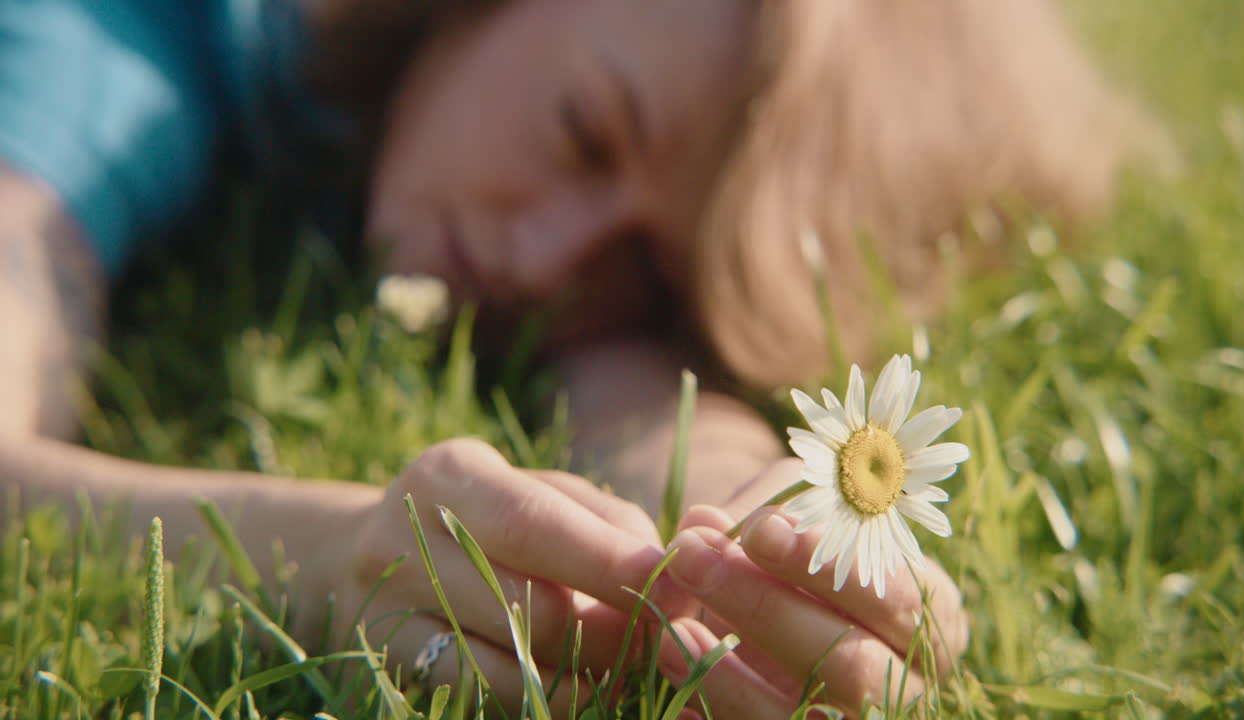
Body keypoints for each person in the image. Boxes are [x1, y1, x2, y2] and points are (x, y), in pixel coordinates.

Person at [0, 0, 1145, 716]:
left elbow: (654, 409)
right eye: (586, 132)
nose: (550, 263)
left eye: (647, 270)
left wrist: (771, 550)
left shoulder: (575, 259)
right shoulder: (99, 61)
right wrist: (321, 552)